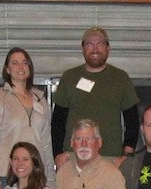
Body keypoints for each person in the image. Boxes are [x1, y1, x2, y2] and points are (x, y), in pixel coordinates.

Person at [51, 26, 140, 168]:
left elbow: (132, 121)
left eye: (100, 44)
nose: (95, 49)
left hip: (110, 158)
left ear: (108, 48)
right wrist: (57, 154)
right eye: (89, 44)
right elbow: (58, 121)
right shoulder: (69, 77)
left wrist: (126, 156)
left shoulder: (120, 78)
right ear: (83, 48)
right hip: (73, 157)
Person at [0, 47, 55, 189]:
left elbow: (46, 144)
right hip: (5, 176)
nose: (21, 67)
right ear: (7, 69)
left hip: (35, 177)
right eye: (15, 63)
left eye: (25, 63)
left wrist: (51, 182)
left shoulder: (41, 100)